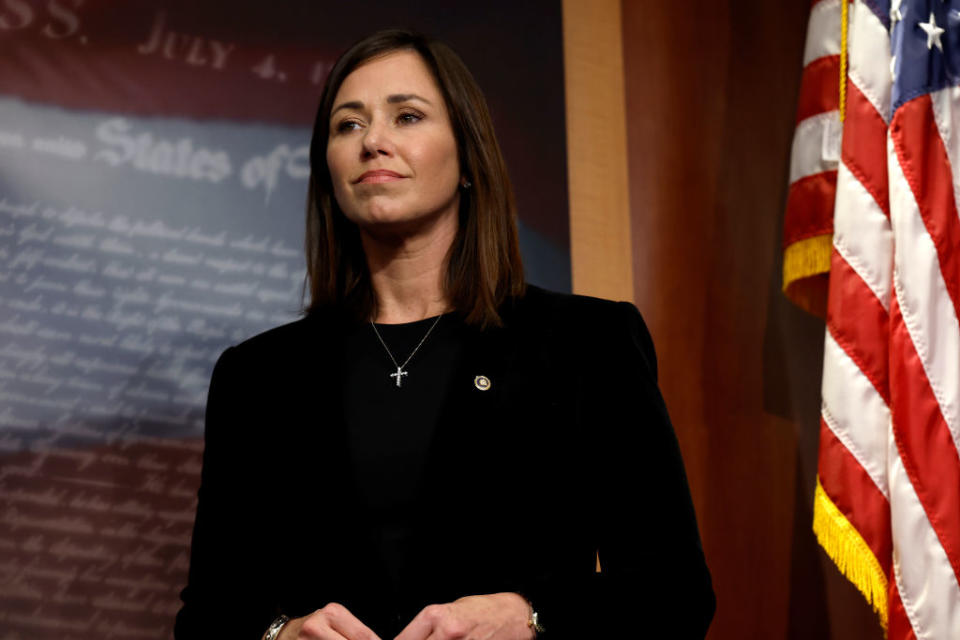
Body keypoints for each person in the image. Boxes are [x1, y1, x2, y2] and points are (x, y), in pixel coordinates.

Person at [174, 28, 714, 640]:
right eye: (348, 125)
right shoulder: (257, 374)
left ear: (467, 156)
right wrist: (279, 636)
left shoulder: (587, 342)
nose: (374, 141)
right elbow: (207, 617)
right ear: (327, 171)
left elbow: (675, 594)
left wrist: (531, 616)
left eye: (406, 116)